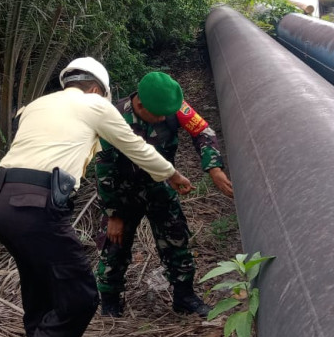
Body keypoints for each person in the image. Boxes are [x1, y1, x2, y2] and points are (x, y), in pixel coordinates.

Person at [0, 58, 194, 337]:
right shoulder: (93, 103)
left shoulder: (37, 105)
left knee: (38, 284)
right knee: (81, 297)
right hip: (37, 207)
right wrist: (172, 173)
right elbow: (134, 146)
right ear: (96, 89)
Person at [95, 71, 233, 319]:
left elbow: (203, 131)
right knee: (114, 247)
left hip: (160, 188)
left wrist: (213, 167)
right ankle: (110, 301)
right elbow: (104, 168)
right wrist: (113, 213)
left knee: (176, 241)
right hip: (123, 194)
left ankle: (184, 296)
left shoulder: (173, 105)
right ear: (139, 105)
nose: (162, 118)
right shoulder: (113, 118)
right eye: (157, 115)